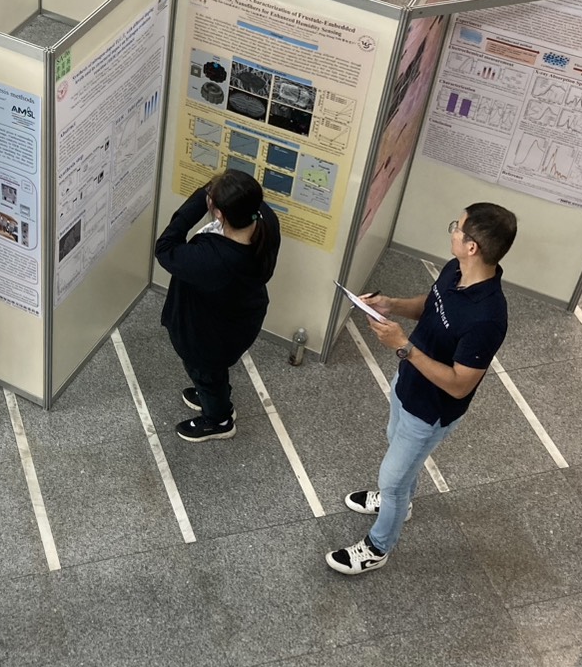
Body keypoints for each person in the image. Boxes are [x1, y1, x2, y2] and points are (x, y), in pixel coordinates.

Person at [327, 201, 517, 576]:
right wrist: (391, 305)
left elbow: (460, 385)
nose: (453, 231)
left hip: (430, 411)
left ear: (472, 246)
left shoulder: (488, 318)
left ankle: (378, 546)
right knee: (394, 445)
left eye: (457, 227)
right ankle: (400, 501)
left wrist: (404, 347)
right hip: (409, 383)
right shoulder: (455, 270)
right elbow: (431, 306)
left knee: (392, 480)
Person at [155, 170, 281, 443]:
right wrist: (217, 196)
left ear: (220, 213)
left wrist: (201, 198)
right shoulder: (266, 221)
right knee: (213, 373)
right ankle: (213, 394)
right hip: (240, 318)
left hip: (207, 337)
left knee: (205, 373)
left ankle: (219, 419)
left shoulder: (213, 260)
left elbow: (165, 248)